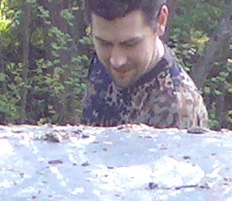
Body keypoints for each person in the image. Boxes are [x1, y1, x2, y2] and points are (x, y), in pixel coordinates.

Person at [82, 0, 208, 130]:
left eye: (130, 44)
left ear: (161, 21)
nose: (116, 61)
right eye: (104, 43)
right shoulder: (104, 58)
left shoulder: (178, 107)